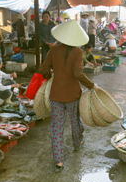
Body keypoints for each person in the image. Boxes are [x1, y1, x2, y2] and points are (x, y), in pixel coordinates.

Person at [40, 19, 98, 173]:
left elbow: (43, 69)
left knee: (56, 128)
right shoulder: (78, 52)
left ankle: (59, 161)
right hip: (72, 95)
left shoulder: (53, 50)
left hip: (56, 95)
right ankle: (77, 143)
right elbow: (78, 73)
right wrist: (92, 85)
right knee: (74, 121)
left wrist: (50, 72)